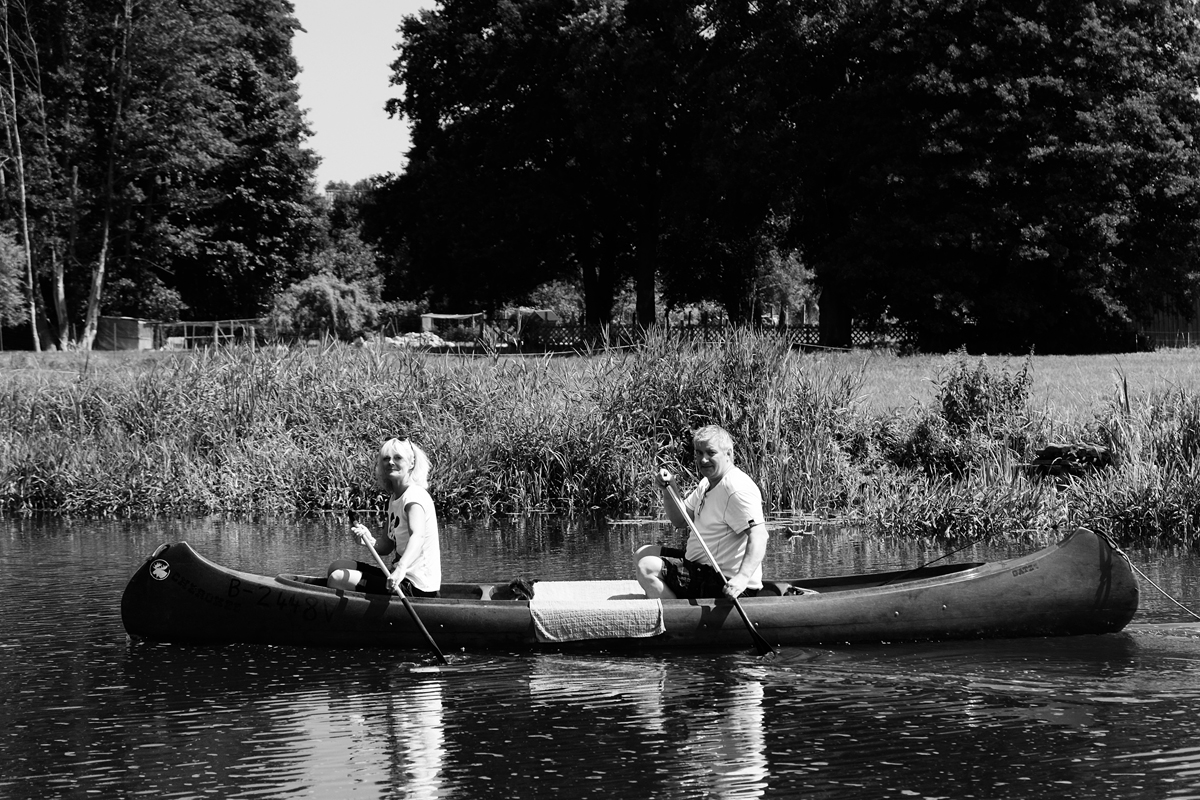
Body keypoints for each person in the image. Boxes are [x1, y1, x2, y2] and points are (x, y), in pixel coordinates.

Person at [635, 425, 768, 600]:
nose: (703, 459)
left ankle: (676, 621)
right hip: (699, 567)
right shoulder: (707, 483)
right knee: (644, 553)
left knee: (647, 566)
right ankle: (670, 599)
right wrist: (670, 489)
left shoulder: (736, 488)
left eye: (710, 453)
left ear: (728, 454)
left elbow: (759, 535)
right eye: (699, 453)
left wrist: (742, 578)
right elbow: (680, 521)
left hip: (725, 582)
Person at [327, 437, 441, 597]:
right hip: (397, 576)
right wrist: (368, 540)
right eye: (386, 458)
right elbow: (386, 546)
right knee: (336, 566)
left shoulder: (414, 497)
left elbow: (418, 536)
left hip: (416, 586)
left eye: (398, 458)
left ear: (411, 463)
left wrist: (401, 567)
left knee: (338, 577)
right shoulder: (394, 499)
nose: (391, 462)